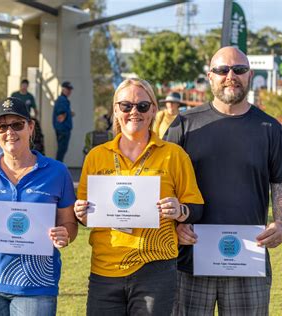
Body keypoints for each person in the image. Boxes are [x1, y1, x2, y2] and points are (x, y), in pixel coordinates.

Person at [165, 46, 282, 315]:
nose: (231, 76)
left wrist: (281, 224)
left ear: (249, 75)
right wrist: (173, 227)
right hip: (189, 258)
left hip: (249, 257)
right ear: (210, 76)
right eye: (222, 70)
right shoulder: (184, 124)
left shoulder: (269, 128)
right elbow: (162, 183)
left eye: (239, 70)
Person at [74, 78, 204, 315]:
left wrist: (180, 211)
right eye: (126, 106)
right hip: (105, 268)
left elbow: (195, 205)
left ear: (154, 109)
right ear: (115, 110)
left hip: (155, 268)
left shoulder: (174, 155)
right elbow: (85, 216)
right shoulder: (96, 156)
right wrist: (81, 214)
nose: (134, 112)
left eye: (142, 106)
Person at [0, 97, 78, 315]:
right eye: (1, 126)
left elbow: (69, 223)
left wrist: (64, 234)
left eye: (17, 125)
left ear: (30, 127)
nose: (9, 132)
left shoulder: (57, 172)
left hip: (36, 285)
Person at [52, 81, 74, 162]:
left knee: (61, 150)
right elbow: (60, 116)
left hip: (62, 129)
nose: (69, 91)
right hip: (63, 130)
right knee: (62, 150)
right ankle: (58, 169)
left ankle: (58, 168)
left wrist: (69, 113)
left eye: (70, 89)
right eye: (68, 89)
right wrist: (65, 115)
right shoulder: (62, 100)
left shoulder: (62, 99)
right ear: (63, 89)